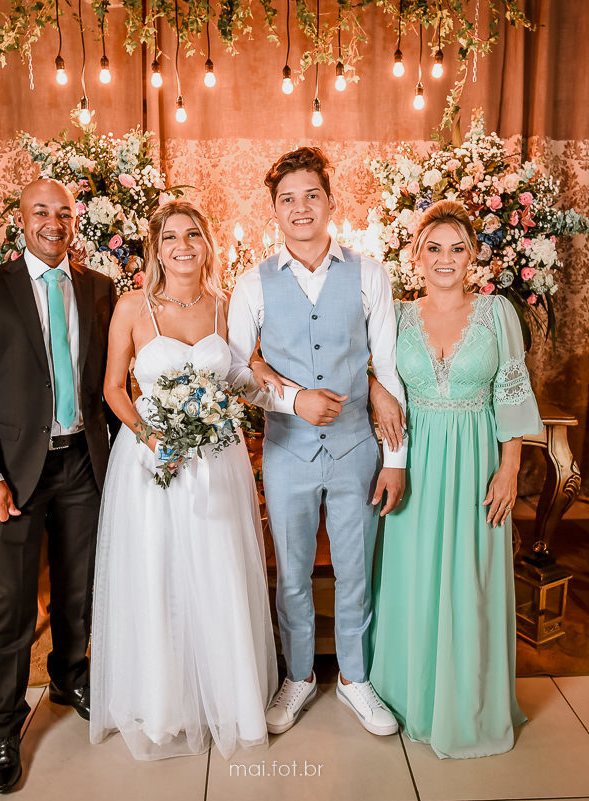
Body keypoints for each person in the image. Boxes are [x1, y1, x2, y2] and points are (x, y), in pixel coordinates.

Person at [227, 147, 407, 737]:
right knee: (293, 575)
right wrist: (292, 400)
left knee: (357, 571)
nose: (300, 208)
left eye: (311, 196)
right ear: (274, 209)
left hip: (358, 450)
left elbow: (389, 369)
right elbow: (234, 372)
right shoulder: (251, 283)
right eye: (288, 199)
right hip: (287, 452)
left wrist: (396, 459)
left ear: (331, 202)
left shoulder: (370, 274)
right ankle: (299, 676)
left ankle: (355, 678)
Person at [90, 201, 277, 760]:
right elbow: (114, 389)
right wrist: (153, 439)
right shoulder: (132, 307)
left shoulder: (226, 306)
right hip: (152, 461)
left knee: (218, 570)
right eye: (170, 237)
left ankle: (228, 698)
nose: (183, 245)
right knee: (158, 572)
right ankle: (163, 703)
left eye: (193, 234)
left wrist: (266, 378)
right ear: (156, 248)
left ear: (206, 244)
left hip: (216, 460)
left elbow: (241, 374)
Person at [0, 178, 117, 793]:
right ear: (21, 220)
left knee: (79, 586)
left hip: (83, 465)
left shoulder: (99, 289)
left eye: (63, 213)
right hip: (16, 473)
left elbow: (110, 382)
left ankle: (70, 674)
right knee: (13, 602)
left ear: (76, 221)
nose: (54, 222)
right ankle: (4, 724)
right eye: (40, 212)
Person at [368, 200, 543, 758]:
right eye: (434, 248)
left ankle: (468, 705)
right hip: (413, 462)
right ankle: (408, 697)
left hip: (475, 463)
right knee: (413, 575)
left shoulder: (497, 314)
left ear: (473, 257)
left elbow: (511, 390)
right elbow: (365, 368)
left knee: (471, 579)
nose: (445, 258)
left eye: (457, 248)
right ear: (416, 256)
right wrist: (375, 391)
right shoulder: (396, 315)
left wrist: (509, 469)